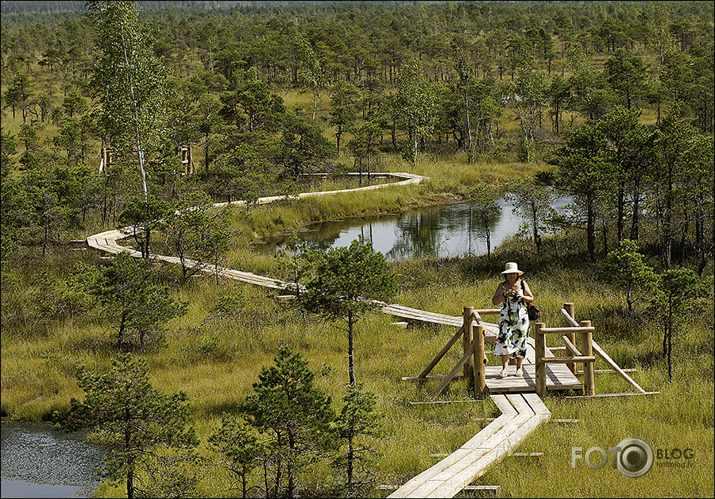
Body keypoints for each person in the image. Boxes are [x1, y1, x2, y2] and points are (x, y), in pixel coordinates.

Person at [491, 262, 534, 377]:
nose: (512, 276)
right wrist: (505, 295)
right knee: (504, 339)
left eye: (514, 273)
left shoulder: (523, 284)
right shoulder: (502, 286)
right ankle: (504, 369)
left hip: (521, 316)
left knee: (521, 339)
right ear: (506, 275)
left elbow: (531, 298)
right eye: (509, 274)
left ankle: (519, 368)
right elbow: (494, 301)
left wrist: (522, 296)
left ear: (517, 274)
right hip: (506, 316)